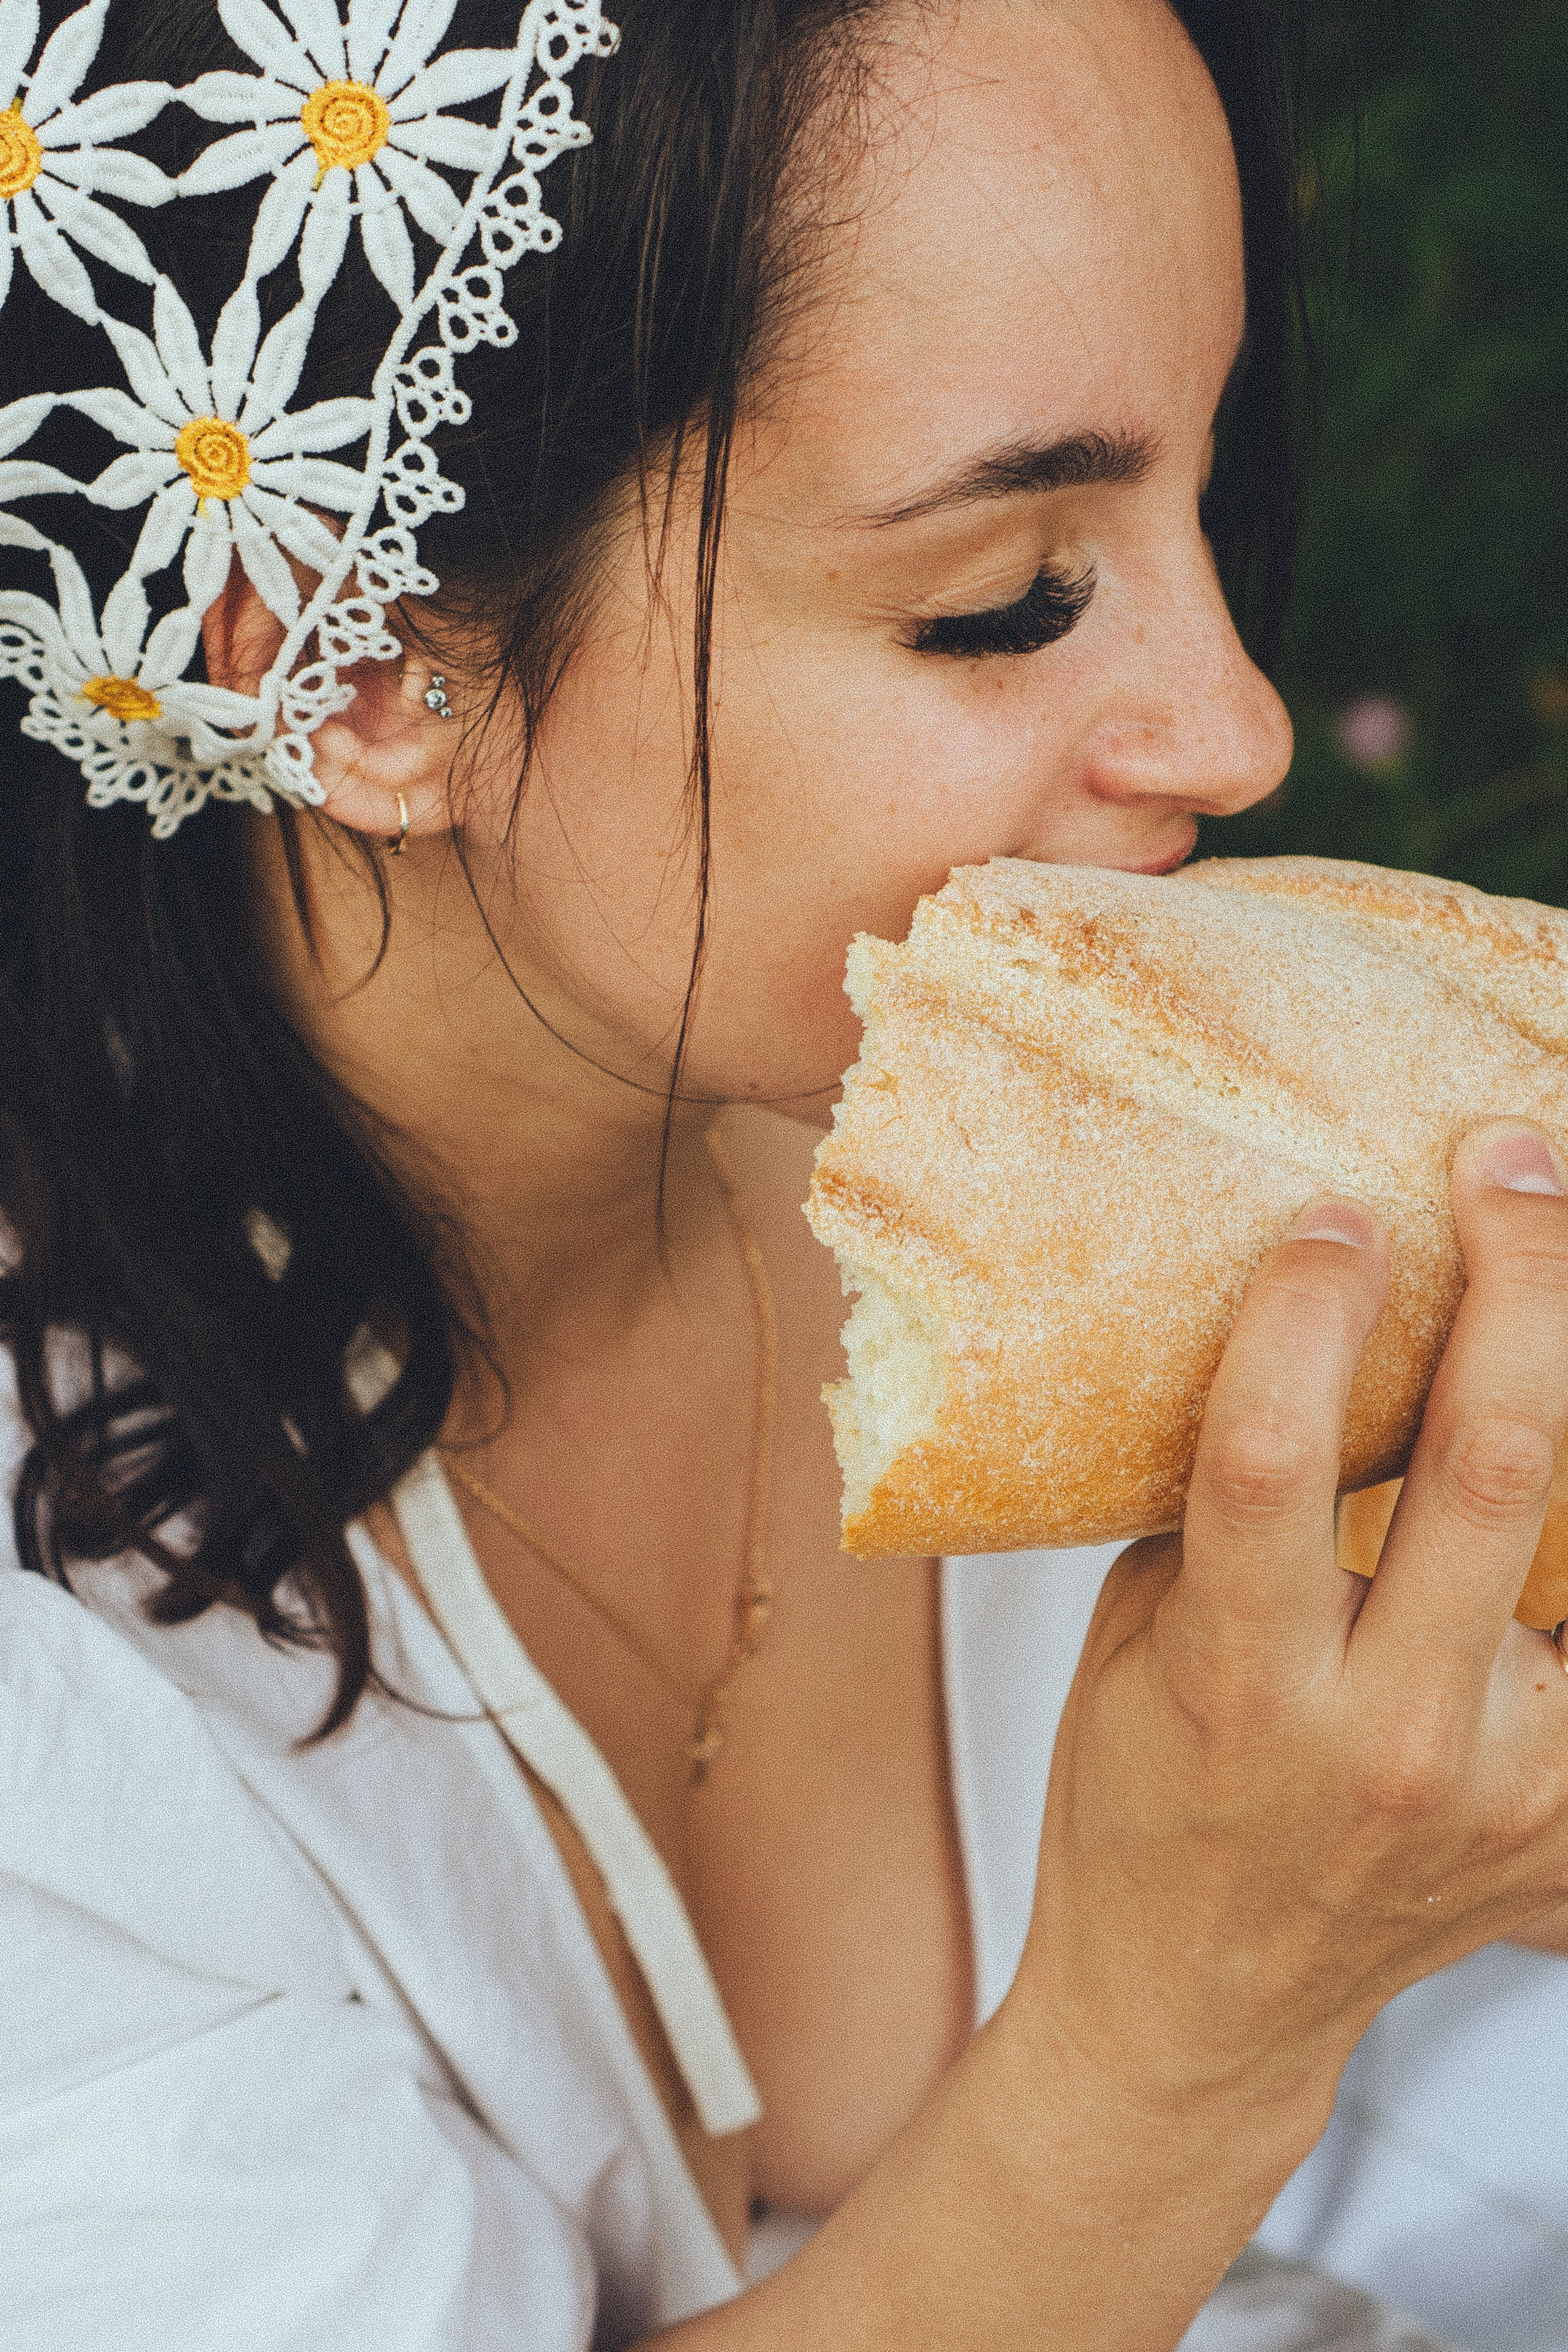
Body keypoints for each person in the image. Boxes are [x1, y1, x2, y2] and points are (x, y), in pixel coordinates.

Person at [1, 0, 1566, 2345]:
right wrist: (1182, 2038)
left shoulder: (1150, 1160)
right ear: (360, 675)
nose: (1241, 726)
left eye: (1206, 489)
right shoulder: (53, 1718)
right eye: (1008, 595)